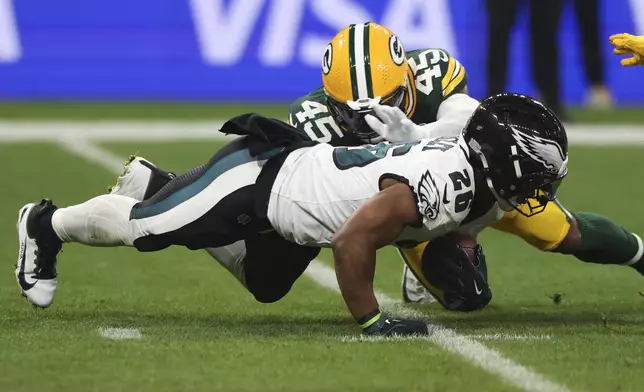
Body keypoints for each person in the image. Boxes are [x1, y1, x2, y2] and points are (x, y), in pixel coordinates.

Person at [111, 21, 644, 308]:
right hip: (406, 208)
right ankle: (167, 190)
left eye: (388, 97)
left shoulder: (435, 74)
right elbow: (335, 197)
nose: (374, 112)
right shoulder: (314, 118)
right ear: (332, 101)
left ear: (409, 75)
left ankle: (641, 256)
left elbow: (469, 119)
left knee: (559, 229)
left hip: (481, 182)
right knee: (468, 296)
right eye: (356, 109)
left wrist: (420, 134)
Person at [16, 93, 568, 336]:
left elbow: (415, 229)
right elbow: (355, 239)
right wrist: (372, 320)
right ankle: (46, 224)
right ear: (507, 159)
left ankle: (162, 186)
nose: (541, 187)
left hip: (303, 213)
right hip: (263, 182)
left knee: (265, 282)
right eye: (539, 172)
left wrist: (453, 261)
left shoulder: (478, 187)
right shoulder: (453, 180)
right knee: (144, 228)